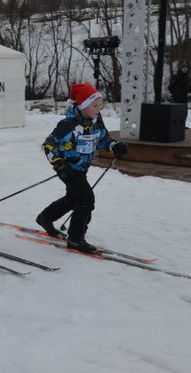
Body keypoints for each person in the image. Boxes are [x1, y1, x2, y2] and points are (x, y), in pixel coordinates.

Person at [36, 83, 127, 253]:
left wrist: (115, 146)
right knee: (86, 201)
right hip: (68, 169)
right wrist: (58, 163)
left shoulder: (96, 122)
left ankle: (45, 218)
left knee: (72, 200)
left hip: (82, 168)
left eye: (100, 105)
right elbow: (48, 145)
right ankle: (76, 239)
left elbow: (104, 140)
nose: (98, 109)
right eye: (95, 105)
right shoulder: (68, 124)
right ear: (83, 105)